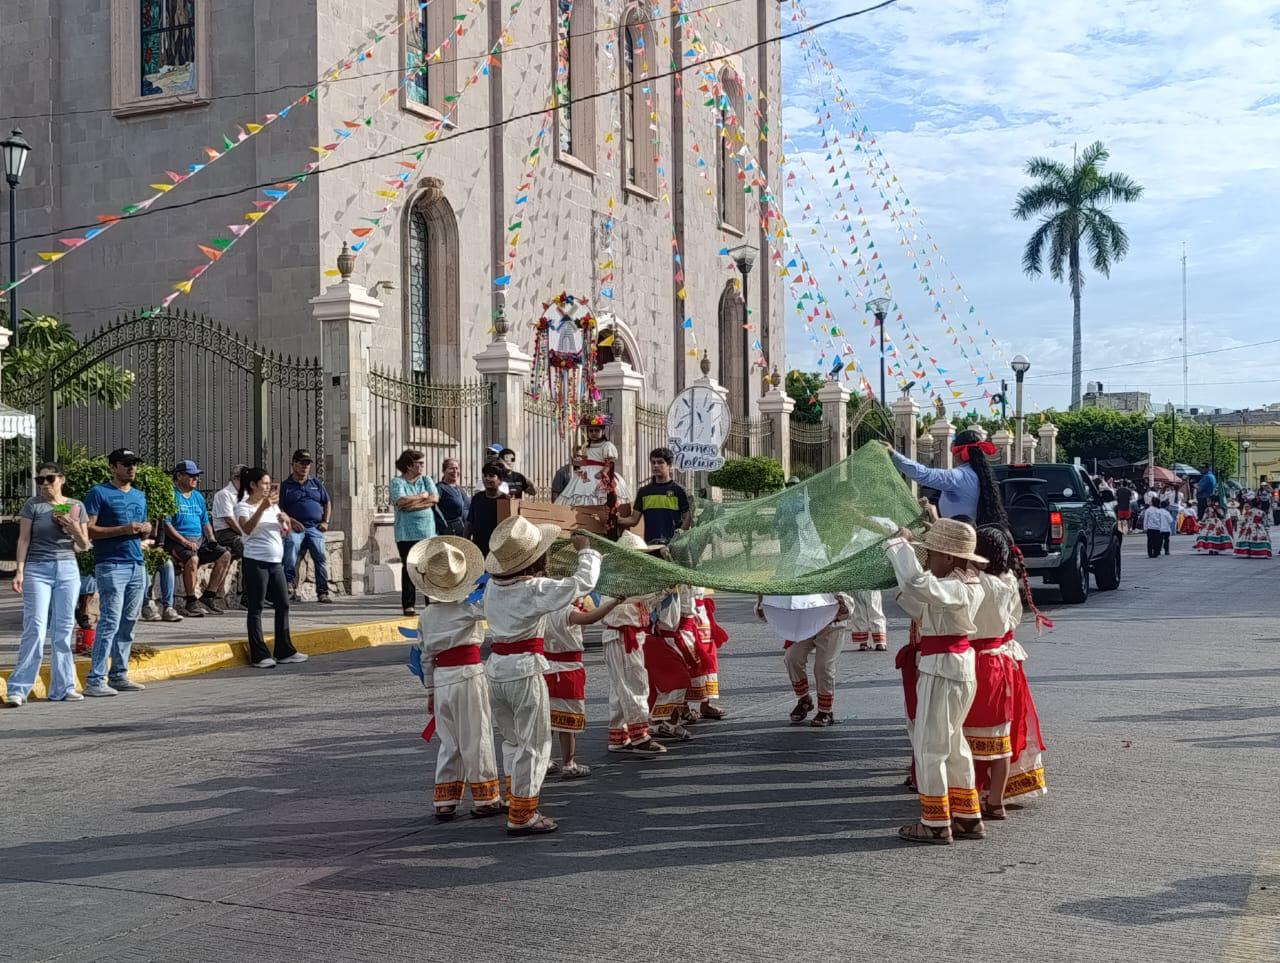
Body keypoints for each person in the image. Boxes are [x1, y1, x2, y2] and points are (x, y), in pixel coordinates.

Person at [482, 515, 601, 835]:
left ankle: (516, 799)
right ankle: (523, 814)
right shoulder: (534, 589)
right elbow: (581, 583)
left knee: (512, 741)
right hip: (524, 670)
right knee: (534, 744)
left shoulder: (492, 588)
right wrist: (587, 551)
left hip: (495, 670)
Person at [884, 518, 986, 845]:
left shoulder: (958, 587)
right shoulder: (964, 583)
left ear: (950, 558)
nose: (930, 560)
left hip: (943, 669)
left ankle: (935, 822)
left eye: (933, 555)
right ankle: (967, 817)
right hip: (954, 667)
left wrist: (900, 545)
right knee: (953, 745)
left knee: (929, 747)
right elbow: (920, 599)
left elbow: (919, 583)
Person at [406, 535, 505, 821]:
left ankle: (446, 799)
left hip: (442, 678)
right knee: (477, 735)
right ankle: (486, 797)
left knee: (449, 739)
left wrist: (430, 690)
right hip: (469, 676)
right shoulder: (467, 610)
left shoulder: (426, 616)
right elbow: (495, 611)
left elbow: (424, 656)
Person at [4, 462, 91, 707]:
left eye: (49, 479)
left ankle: (64, 687)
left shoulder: (75, 506)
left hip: (67, 568)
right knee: (35, 627)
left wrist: (73, 528)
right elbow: (23, 539)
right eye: (39, 480)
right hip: (37, 568)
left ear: (61, 479)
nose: (44, 484)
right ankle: (19, 688)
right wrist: (19, 571)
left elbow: (84, 546)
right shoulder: (33, 505)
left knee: (63, 628)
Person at [83, 449, 151, 698]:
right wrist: (123, 529)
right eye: (126, 464)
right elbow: (89, 529)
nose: (132, 468)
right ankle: (96, 678)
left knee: (129, 621)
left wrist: (146, 528)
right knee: (110, 621)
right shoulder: (99, 493)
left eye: (134, 464)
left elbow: (144, 527)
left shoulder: (139, 495)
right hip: (111, 563)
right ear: (113, 467)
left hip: (136, 563)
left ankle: (119, 674)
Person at [964, 527, 1022, 820]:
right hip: (1002, 663)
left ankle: (970, 799)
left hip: (973, 661)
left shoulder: (974, 582)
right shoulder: (1009, 581)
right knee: (1000, 740)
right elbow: (1015, 619)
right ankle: (996, 801)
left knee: (969, 738)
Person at [599, 530, 668, 756]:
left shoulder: (625, 578)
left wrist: (663, 589)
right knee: (635, 685)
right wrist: (663, 585)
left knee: (621, 688)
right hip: (622, 636)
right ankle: (640, 736)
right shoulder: (619, 579)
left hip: (626, 636)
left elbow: (644, 600)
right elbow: (638, 597)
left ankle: (619, 734)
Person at [236, 468, 307, 668]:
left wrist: (286, 523)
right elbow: (247, 528)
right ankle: (259, 654)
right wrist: (262, 508)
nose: (268, 487)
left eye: (269, 484)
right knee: (256, 607)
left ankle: (284, 650)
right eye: (265, 484)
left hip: (276, 562)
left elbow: (284, 533)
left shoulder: (273, 507)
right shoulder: (244, 506)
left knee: (283, 604)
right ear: (253, 485)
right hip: (256, 561)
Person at [545, 595, 621, 780]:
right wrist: (615, 602)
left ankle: (545, 760)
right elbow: (590, 619)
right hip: (568, 669)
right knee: (568, 721)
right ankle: (568, 764)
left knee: (548, 719)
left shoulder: (542, 609)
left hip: (546, 666)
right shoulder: (567, 611)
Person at [758, 592, 853, 728]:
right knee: (792, 658)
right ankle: (804, 699)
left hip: (832, 624)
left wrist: (844, 605)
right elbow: (779, 595)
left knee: (823, 666)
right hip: (804, 623)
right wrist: (765, 606)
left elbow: (846, 597)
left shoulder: (831, 573)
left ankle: (825, 712)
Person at [886, 429, 1008, 528]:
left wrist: (893, 454)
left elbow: (923, 474)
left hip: (957, 539)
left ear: (960, 453)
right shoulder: (981, 476)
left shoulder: (958, 477)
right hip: (974, 535)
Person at [165, 460, 232, 616]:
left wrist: (212, 539)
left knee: (225, 555)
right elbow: (167, 525)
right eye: (192, 476)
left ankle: (209, 596)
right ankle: (190, 601)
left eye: (197, 476)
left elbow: (205, 522)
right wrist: (185, 542)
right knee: (193, 559)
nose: (196, 479)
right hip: (178, 541)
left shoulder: (198, 497)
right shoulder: (171, 495)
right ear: (179, 476)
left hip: (199, 541)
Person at [390, 449, 440, 616]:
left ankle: (431, 600)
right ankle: (409, 604)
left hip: (427, 531)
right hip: (406, 532)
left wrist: (413, 505)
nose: (422, 466)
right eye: (419, 463)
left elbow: (434, 498)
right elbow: (401, 501)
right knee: (410, 567)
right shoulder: (397, 482)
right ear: (409, 465)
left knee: (428, 566)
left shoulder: (426, 480)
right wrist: (421, 496)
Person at [279, 449, 332, 603]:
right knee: (291, 547)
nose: (305, 467)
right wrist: (291, 521)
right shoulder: (286, 486)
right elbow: (279, 510)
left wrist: (325, 521)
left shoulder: (316, 483)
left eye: (308, 464)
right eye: (302, 463)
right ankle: (288, 584)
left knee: (320, 556)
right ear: (293, 465)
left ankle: (323, 592)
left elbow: (327, 502)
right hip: (295, 528)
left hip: (315, 527)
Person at [555, 415, 631, 507]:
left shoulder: (607, 445)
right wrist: (576, 461)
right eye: (591, 431)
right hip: (585, 475)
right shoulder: (586, 447)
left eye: (596, 430)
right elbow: (586, 462)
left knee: (600, 495)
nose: (593, 433)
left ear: (603, 431)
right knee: (579, 493)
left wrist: (603, 472)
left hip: (599, 474)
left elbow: (610, 462)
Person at [621, 447, 691, 545]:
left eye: (660, 462)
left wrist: (676, 541)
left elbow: (687, 518)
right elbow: (633, 520)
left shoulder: (679, 491)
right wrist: (615, 519)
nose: (655, 466)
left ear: (669, 465)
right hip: (650, 546)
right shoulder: (644, 492)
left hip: (672, 547)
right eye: (653, 462)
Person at [465, 462, 509, 556]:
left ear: (500, 480)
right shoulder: (477, 498)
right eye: (485, 475)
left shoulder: (506, 501)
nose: (487, 478)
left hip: (498, 551)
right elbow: (469, 523)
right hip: (478, 549)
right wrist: (465, 543)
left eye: (491, 475)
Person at [435, 457, 471, 536]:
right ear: (444, 471)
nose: (455, 471)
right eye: (451, 468)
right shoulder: (440, 488)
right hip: (449, 533)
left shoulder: (460, 489)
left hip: (464, 532)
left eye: (457, 468)